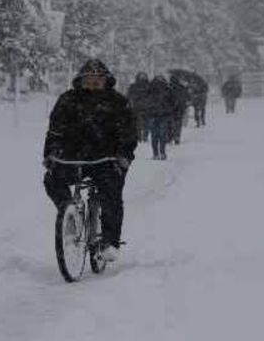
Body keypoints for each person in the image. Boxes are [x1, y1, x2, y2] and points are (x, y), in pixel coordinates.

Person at [43, 59, 137, 262]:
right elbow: (54, 131)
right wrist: (50, 154)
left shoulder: (118, 102)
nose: (93, 84)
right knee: (51, 180)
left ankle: (110, 241)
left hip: (106, 159)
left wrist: (123, 155)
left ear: (106, 81)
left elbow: (129, 133)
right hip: (72, 159)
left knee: (111, 195)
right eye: (89, 80)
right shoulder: (67, 100)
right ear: (81, 80)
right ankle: (68, 215)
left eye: (98, 81)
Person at [146, 75, 175, 160]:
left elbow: (146, 102)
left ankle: (155, 154)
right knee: (162, 135)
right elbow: (173, 102)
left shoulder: (150, 89)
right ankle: (162, 153)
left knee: (154, 136)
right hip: (164, 115)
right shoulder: (167, 89)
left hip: (153, 115)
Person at [127, 72, 150, 143]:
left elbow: (129, 96)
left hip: (137, 107)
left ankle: (139, 136)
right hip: (146, 107)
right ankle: (144, 136)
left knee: (138, 123)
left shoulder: (133, 86)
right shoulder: (149, 86)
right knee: (146, 123)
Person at [169, 76, 190, 143]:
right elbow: (188, 97)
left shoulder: (168, 88)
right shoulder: (182, 88)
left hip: (170, 109)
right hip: (180, 109)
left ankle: (170, 136)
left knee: (170, 123)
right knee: (178, 123)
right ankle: (177, 136)